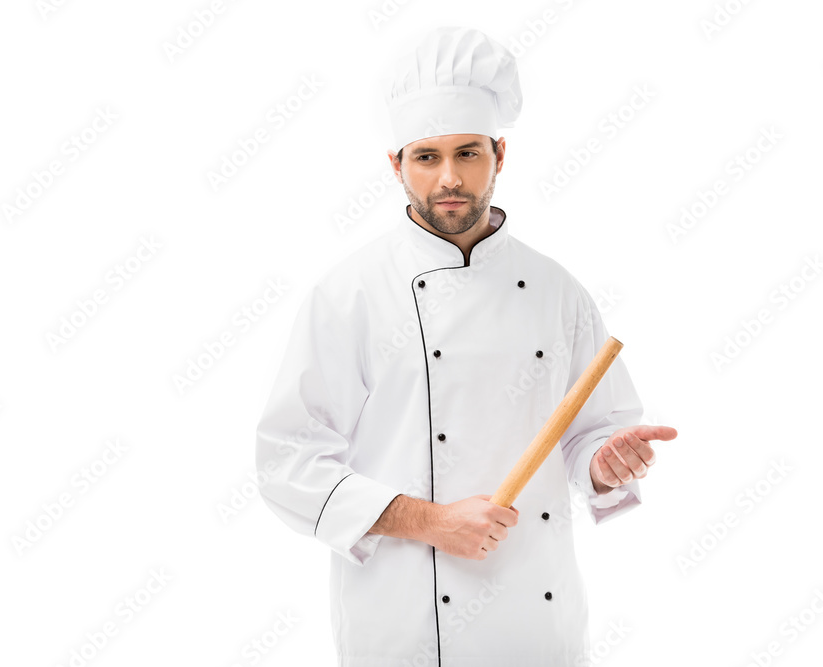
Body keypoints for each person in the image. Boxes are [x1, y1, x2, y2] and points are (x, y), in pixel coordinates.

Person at [254, 26, 678, 666]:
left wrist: (605, 461)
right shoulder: (351, 294)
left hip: (541, 630)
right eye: (427, 157)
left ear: (499, 155)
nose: (450, 178)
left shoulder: (557, 291)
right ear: (395, 165)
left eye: (468, 153)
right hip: (405, 627)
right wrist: (428, 522)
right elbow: (287, 460)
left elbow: (593, 436)